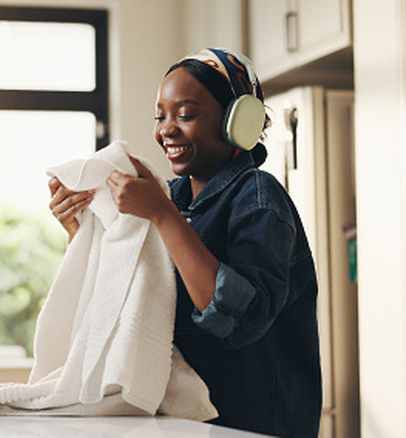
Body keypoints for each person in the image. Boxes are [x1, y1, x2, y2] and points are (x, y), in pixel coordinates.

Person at [48, 48, 321, 437]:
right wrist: (81, 231)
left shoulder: (259, 197)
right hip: (186, 426)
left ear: (236, 122)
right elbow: (133, 293)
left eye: (185, 114)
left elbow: (241, 321)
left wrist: (163, 216)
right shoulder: (171, 197)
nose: (166, 129)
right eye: (160, 116)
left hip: (256, 427)